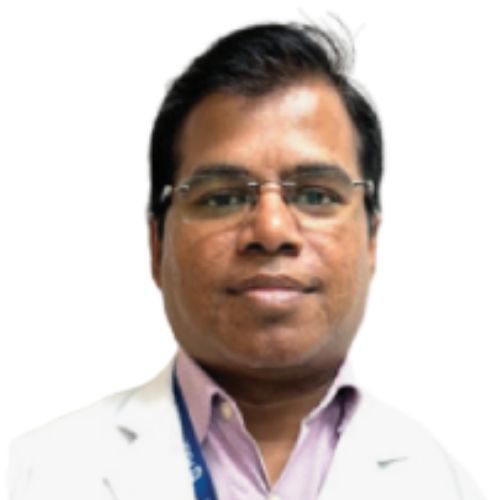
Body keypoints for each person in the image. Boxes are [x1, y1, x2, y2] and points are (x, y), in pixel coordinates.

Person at [9, 22, 485, 500]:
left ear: (371, 242)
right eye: (223, 198)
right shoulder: (31, 476)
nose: (272, 231)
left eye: (315, 195)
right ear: (157, 245)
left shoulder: (446, 486)